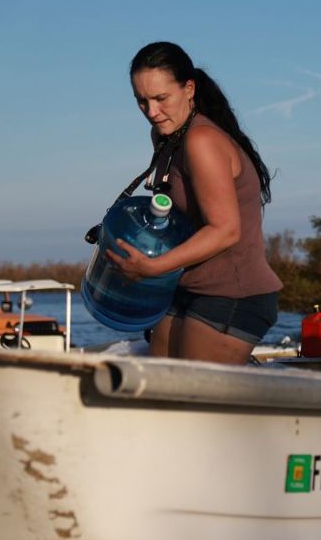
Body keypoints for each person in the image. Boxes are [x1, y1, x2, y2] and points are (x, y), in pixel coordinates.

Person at [109, 41, 282, 364]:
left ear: (189, 89)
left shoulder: (201, 140)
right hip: (186, 284)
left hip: (234, 293)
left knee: (189, 397)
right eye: (141, 101)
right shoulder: (165, 137)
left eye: (161, 99)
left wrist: (153, 267)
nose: (151, 112)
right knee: (159, 385)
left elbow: (226, 231)